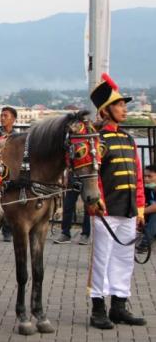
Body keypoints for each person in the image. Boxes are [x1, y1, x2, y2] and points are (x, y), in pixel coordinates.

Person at [87, 74, 146, 329]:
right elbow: (92, 176)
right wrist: (96, 202)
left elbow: (138, 176)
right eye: (120, 104)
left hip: (129, 209)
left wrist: (140, 209)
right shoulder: (97, 140)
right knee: (102, 259)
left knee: (123, 258)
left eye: (124, 105)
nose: (124, 109)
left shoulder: (128, 139)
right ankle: (98, 309)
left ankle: (119, 307)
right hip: (106, 209)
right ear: (105, 111)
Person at [0, 106, 16, 242]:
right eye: (1, 115)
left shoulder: (18, 136)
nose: (2, 118)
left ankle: (8, 230)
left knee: (10, 200)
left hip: (12, 171)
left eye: (5, 116)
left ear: (13, 119)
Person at [54, 171, 91, 245]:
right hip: (73, 176)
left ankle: (85, 234)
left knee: (87, 207)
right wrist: (66, 176)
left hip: (87, 176)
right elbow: (68, 162)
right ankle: (65, 233)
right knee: (68, 205)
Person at [137, 164, 156, 253]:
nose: (146, 179)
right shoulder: (146, 190)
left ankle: (145, 243)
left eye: (149, 176)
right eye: (144, 176)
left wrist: (139, 212)